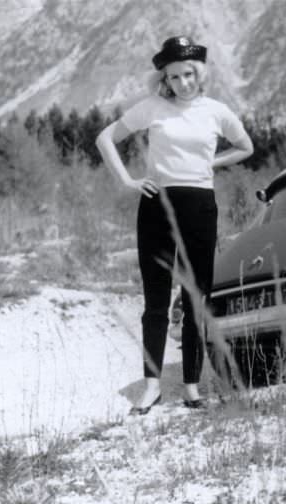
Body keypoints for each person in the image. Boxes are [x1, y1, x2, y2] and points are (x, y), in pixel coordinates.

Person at [96, 36, 253, 414]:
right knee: (155, 300)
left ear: (199, 74)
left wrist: (209, 165)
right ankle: (151, 386)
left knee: (197, 297)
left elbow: (247, 147)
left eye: (189, 74)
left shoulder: (217, 111)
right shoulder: (152, 108)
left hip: (200, 206)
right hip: (156, 205)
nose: (183, 82)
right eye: (175, 77)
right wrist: (129, 181)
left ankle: (191, 386)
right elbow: (105, 138)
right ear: (163, 79)